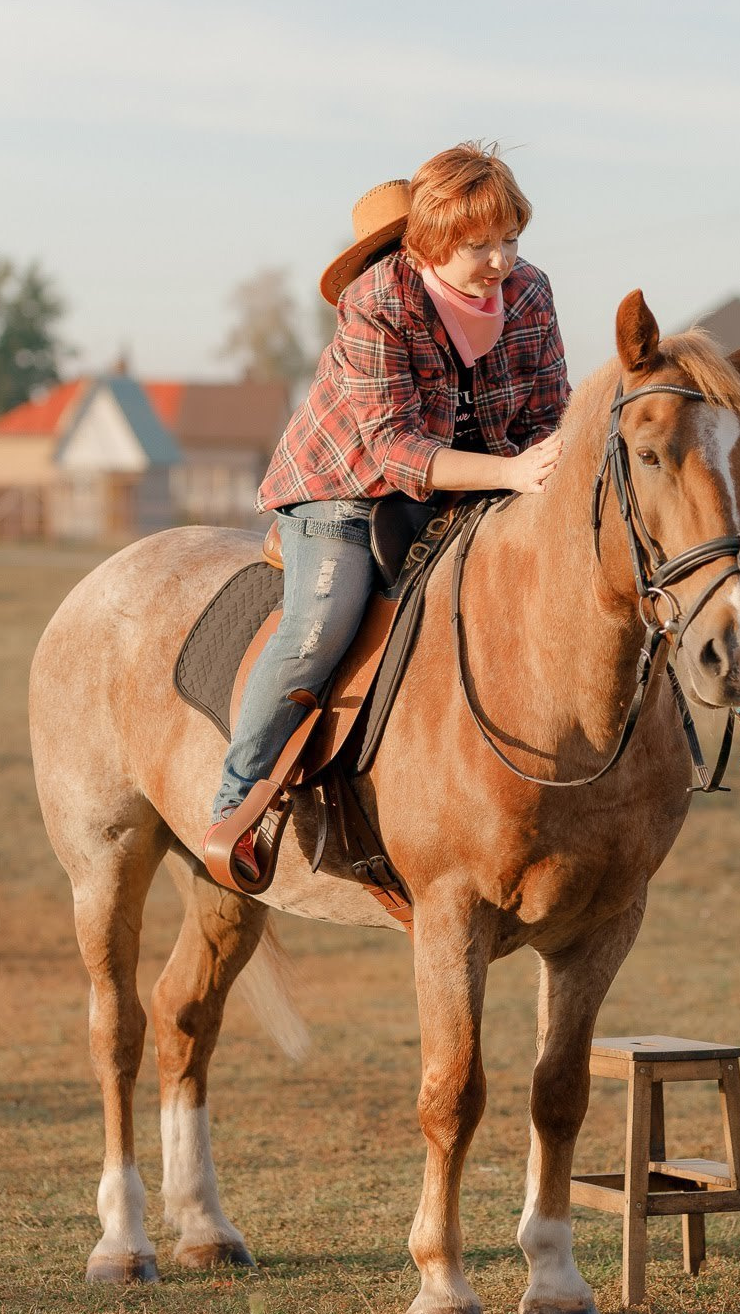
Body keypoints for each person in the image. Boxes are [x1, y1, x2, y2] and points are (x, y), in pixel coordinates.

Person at [204, 141, 570, 881]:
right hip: (345, 484)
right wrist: (511, 471)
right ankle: (238, 803)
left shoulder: (530, 293)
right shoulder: (376, 301)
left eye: (509, 239)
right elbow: (394, 449)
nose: (501, 261)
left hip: (479, 482)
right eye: (479, 245)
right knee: (322, 623)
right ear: (429, 245)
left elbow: (548, 412)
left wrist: (547, 462)